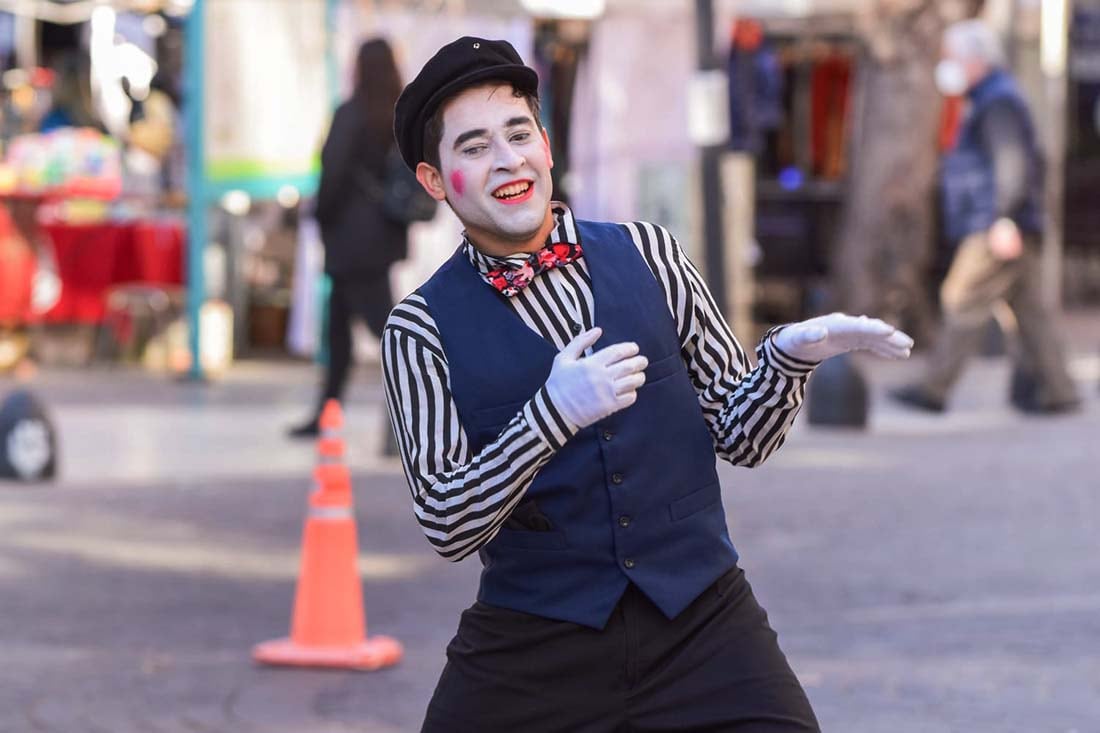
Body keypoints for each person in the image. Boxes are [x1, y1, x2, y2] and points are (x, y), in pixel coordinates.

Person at [383, 37, 913, 732]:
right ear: (433, 179)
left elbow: (741, 437)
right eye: (474, 147)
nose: (507, 160)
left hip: (701, 620)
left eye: (518, 133)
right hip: (536, 642)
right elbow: (446, 522)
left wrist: (787, 359)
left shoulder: (652, 253)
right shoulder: (419, 327)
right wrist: (549, 416)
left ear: (546, 142)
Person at [892, 19, 1079, 414]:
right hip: (1004, 220)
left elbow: (1012, 163)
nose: (948, 65)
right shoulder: (990, 97)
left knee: (960, 298)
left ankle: (934, 388)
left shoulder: (998, 101)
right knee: (1030, 311)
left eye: (953, 58)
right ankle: (1059, 390)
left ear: (975, 59)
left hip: (996, 223)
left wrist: (1003, 218)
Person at [288, 38, 409, 438]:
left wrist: (318, 214)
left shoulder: (351, 113)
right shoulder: (399, 116)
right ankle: (327, 412)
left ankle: (420, 410)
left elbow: (333, 175)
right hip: (383, 234)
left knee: (391, 334)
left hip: (351, 239)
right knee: (339, 329)